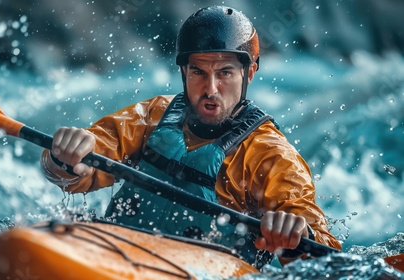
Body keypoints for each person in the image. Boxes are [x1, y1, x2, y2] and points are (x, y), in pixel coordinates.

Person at [40, 5, 341, 269]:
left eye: (225, 73)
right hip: (119, 250)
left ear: (248, 73)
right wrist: (66, 158)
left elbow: (323, 256)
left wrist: (295, 233)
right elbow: (79, 168)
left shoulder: (271, 155)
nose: (210, 88)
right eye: (198, 72)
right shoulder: (150, 116)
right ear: (184, 71)